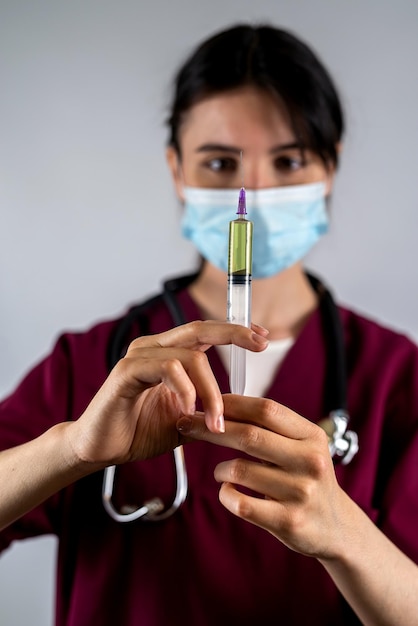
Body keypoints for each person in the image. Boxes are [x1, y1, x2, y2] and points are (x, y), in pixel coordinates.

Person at [1, 22, 418, 626]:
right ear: (176, 170)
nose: (253, 190)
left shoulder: (396, 378)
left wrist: (344, 533)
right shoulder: (96, 365)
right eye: (220, 162)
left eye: (290, 159)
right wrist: (71, 450)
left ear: (331, 168)